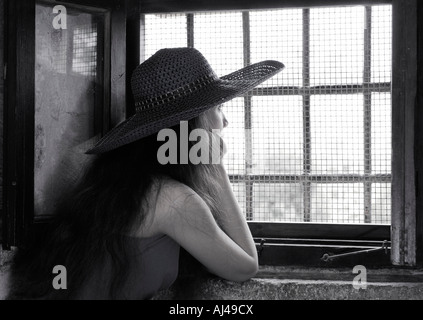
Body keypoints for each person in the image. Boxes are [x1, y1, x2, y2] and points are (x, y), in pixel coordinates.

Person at [7, 48, 284, 300]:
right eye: (218, 108)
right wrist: (215, 165)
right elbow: (246, 266)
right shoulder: (175, 201)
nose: (225, 121)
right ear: (193, 122)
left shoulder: (118, 180)